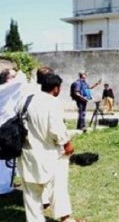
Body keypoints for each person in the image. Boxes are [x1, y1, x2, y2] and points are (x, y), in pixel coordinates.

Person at [17, 73, 82, 222]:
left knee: (31, 194)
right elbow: (56, 129)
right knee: (58, 186)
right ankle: (65, 218)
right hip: (49, 154)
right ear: (56, 88)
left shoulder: (25, 101)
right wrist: (67, 144)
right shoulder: (52, 103)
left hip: (27, 154)